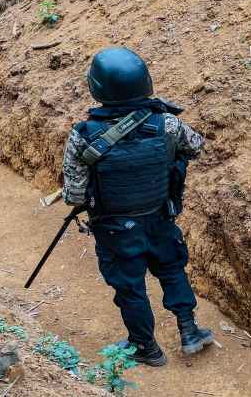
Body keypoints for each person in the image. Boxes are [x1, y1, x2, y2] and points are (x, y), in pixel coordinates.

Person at [61, 47, 213, 366]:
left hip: (115, 228)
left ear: (96, 87)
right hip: (160, 217)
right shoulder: (166, 123)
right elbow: (196, 147)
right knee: (172, 270)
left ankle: (146, 348)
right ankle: (189, 331)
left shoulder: (83, 135)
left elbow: (74, 195)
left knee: (130, 288)